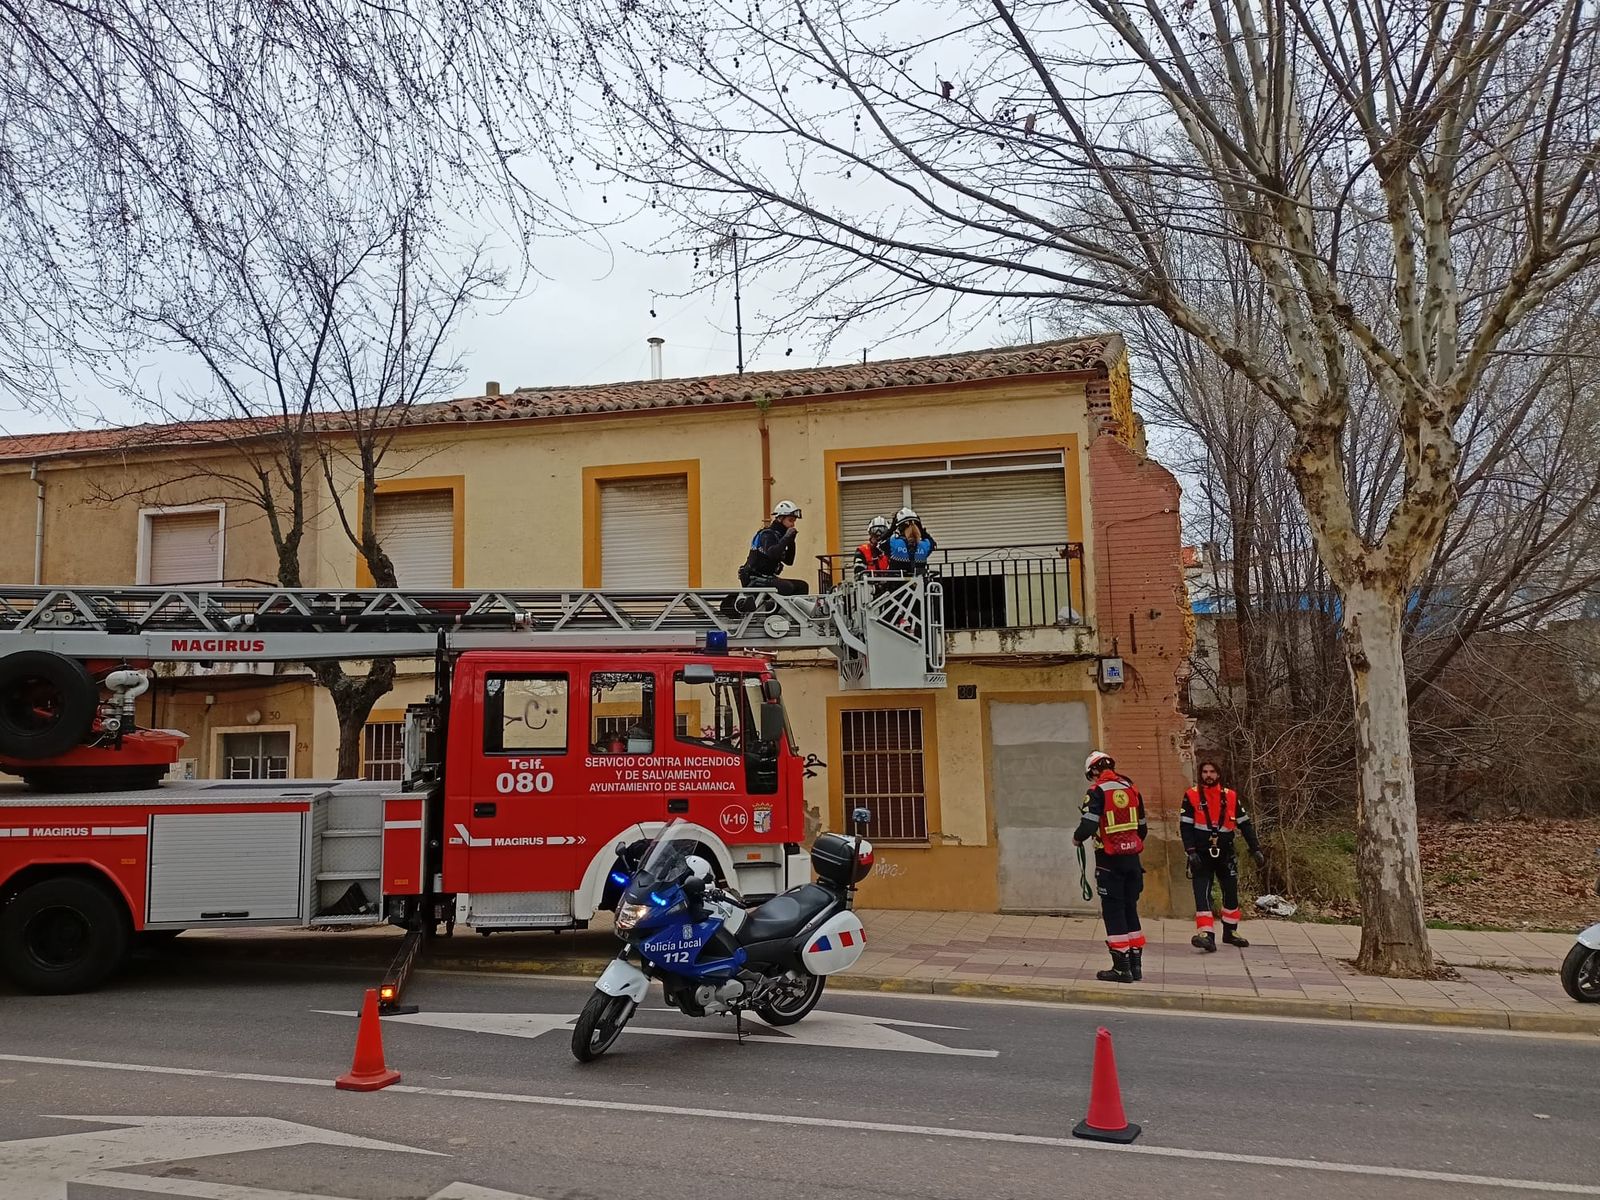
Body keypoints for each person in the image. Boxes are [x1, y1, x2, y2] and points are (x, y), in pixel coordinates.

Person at [1072, 750, 1147, 983]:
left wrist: (1077, 839)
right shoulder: (1131, 789)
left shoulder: (1096, 792)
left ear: (1094, 770)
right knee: (1130, 910)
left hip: (1109, 862)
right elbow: (1142, 827)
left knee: (1113, 912)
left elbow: (1088, 824)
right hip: (1133, 860)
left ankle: (1121, 968)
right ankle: (1136, 967)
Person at [1181, 759, 1266, 951]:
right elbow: (1185, 827)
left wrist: (1256, 849)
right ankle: (1206, 934)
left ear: (1218, 774)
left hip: (1225, 853)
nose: (1208, 775)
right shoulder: (1191, 795)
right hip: (1201, 854)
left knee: (1231, 892)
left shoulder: (1231, 796)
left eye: (1212, 772)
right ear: (1201, 774)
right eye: (1205, 772)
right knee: (1202, 894)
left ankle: (1230, 931)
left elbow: (1245, 825)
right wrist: (1190, 851)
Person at [887, 507, 936, 575]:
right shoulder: (925, 545)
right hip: (919, 584)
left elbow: (879, 544)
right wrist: (921, 529)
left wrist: (891, 529)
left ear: (900, 528)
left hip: (896, 585)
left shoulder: (893, 542)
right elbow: (933, 543)